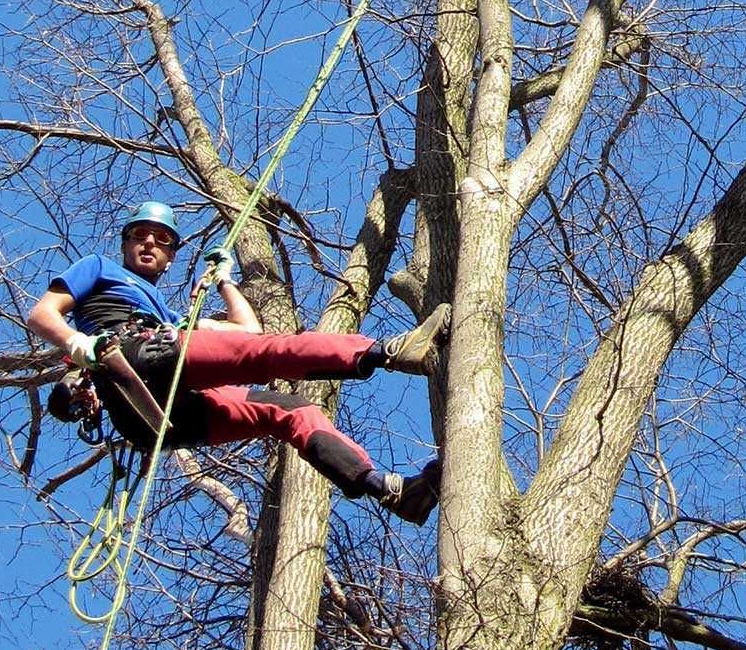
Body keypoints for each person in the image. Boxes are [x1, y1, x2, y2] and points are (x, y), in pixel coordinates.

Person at [27, 198, 448, 523]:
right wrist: (77, 343)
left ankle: (388, 490)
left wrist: (225, 282)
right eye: (140, 235)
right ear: (126, 243)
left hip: (161, 409)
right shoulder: (98, 268)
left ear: (172, 254)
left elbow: (246, 331)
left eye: (162, 239)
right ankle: (388, 352)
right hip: (132, 358)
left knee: (285, 410)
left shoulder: (169, 317)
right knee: (268, 355)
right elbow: (42, 314)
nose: (150, 242)